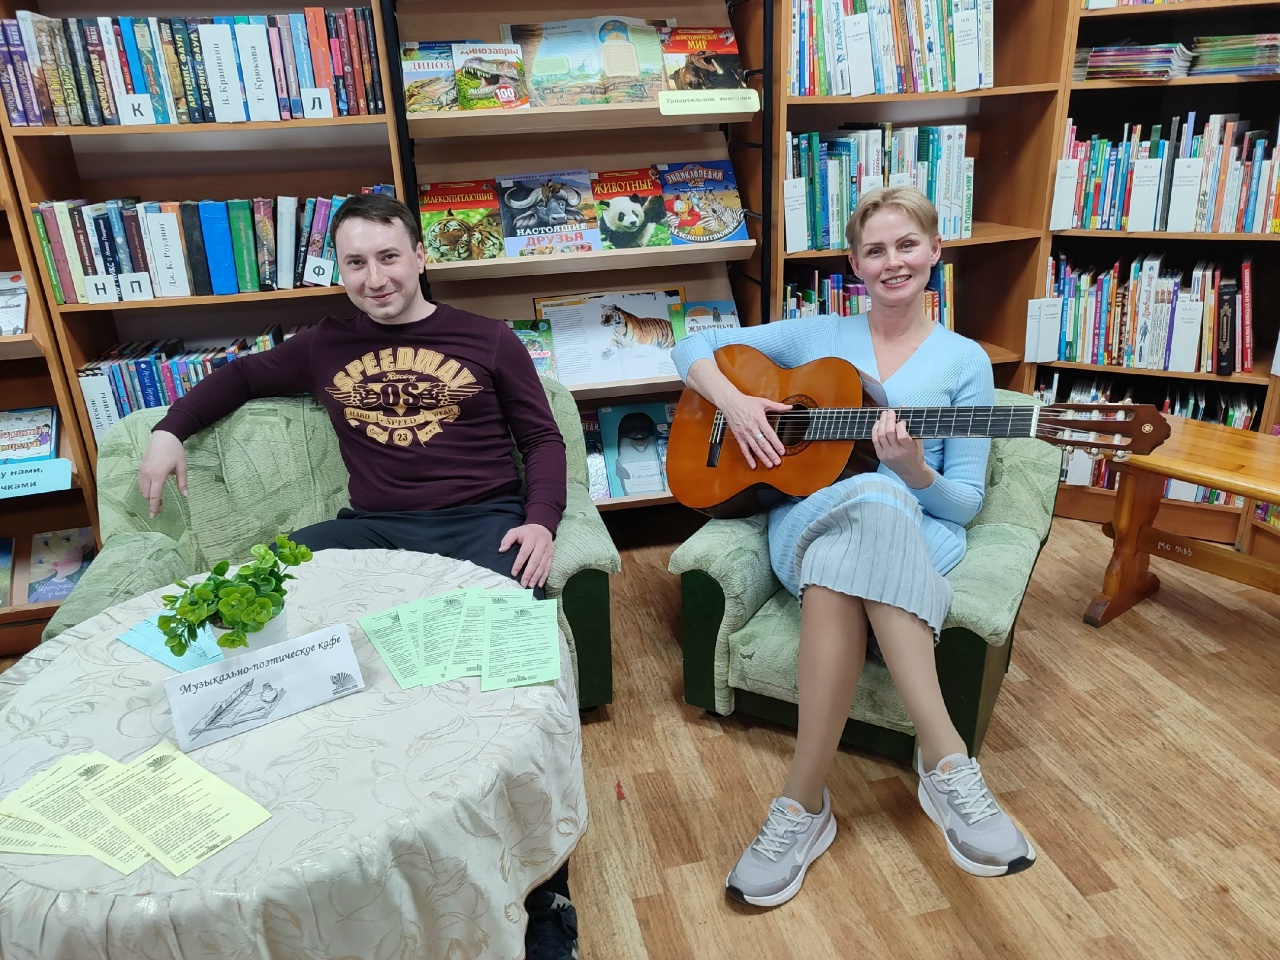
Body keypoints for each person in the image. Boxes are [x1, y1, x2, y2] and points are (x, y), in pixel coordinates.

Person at [136, 193, 581, 959]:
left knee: (505, 689)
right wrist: (167, 430)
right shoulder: (324, 345)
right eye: (356, 262)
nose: (375, 278)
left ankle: (545, 897)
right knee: (235, 603)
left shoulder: (489, 339)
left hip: (481, 525)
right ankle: (241, 809)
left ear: (419, 256)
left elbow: (542, 439)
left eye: (388, 257)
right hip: (373, 530)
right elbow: (239, 378)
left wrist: (539, 520)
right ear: (339, 269)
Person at [671, 185, 1035, 908]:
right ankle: (948, 766)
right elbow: (689, 344)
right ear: (853, 264)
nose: (893, 261)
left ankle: (802, 805)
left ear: (936, 251)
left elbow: (963, 504)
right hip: (808, 522)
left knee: (876, 502)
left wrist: (913, 471)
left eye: (908, 245)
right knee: (863, 501)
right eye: (875, 250)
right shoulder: (815, 336)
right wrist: (737, 405)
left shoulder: (965, 363)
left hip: (917, 530)